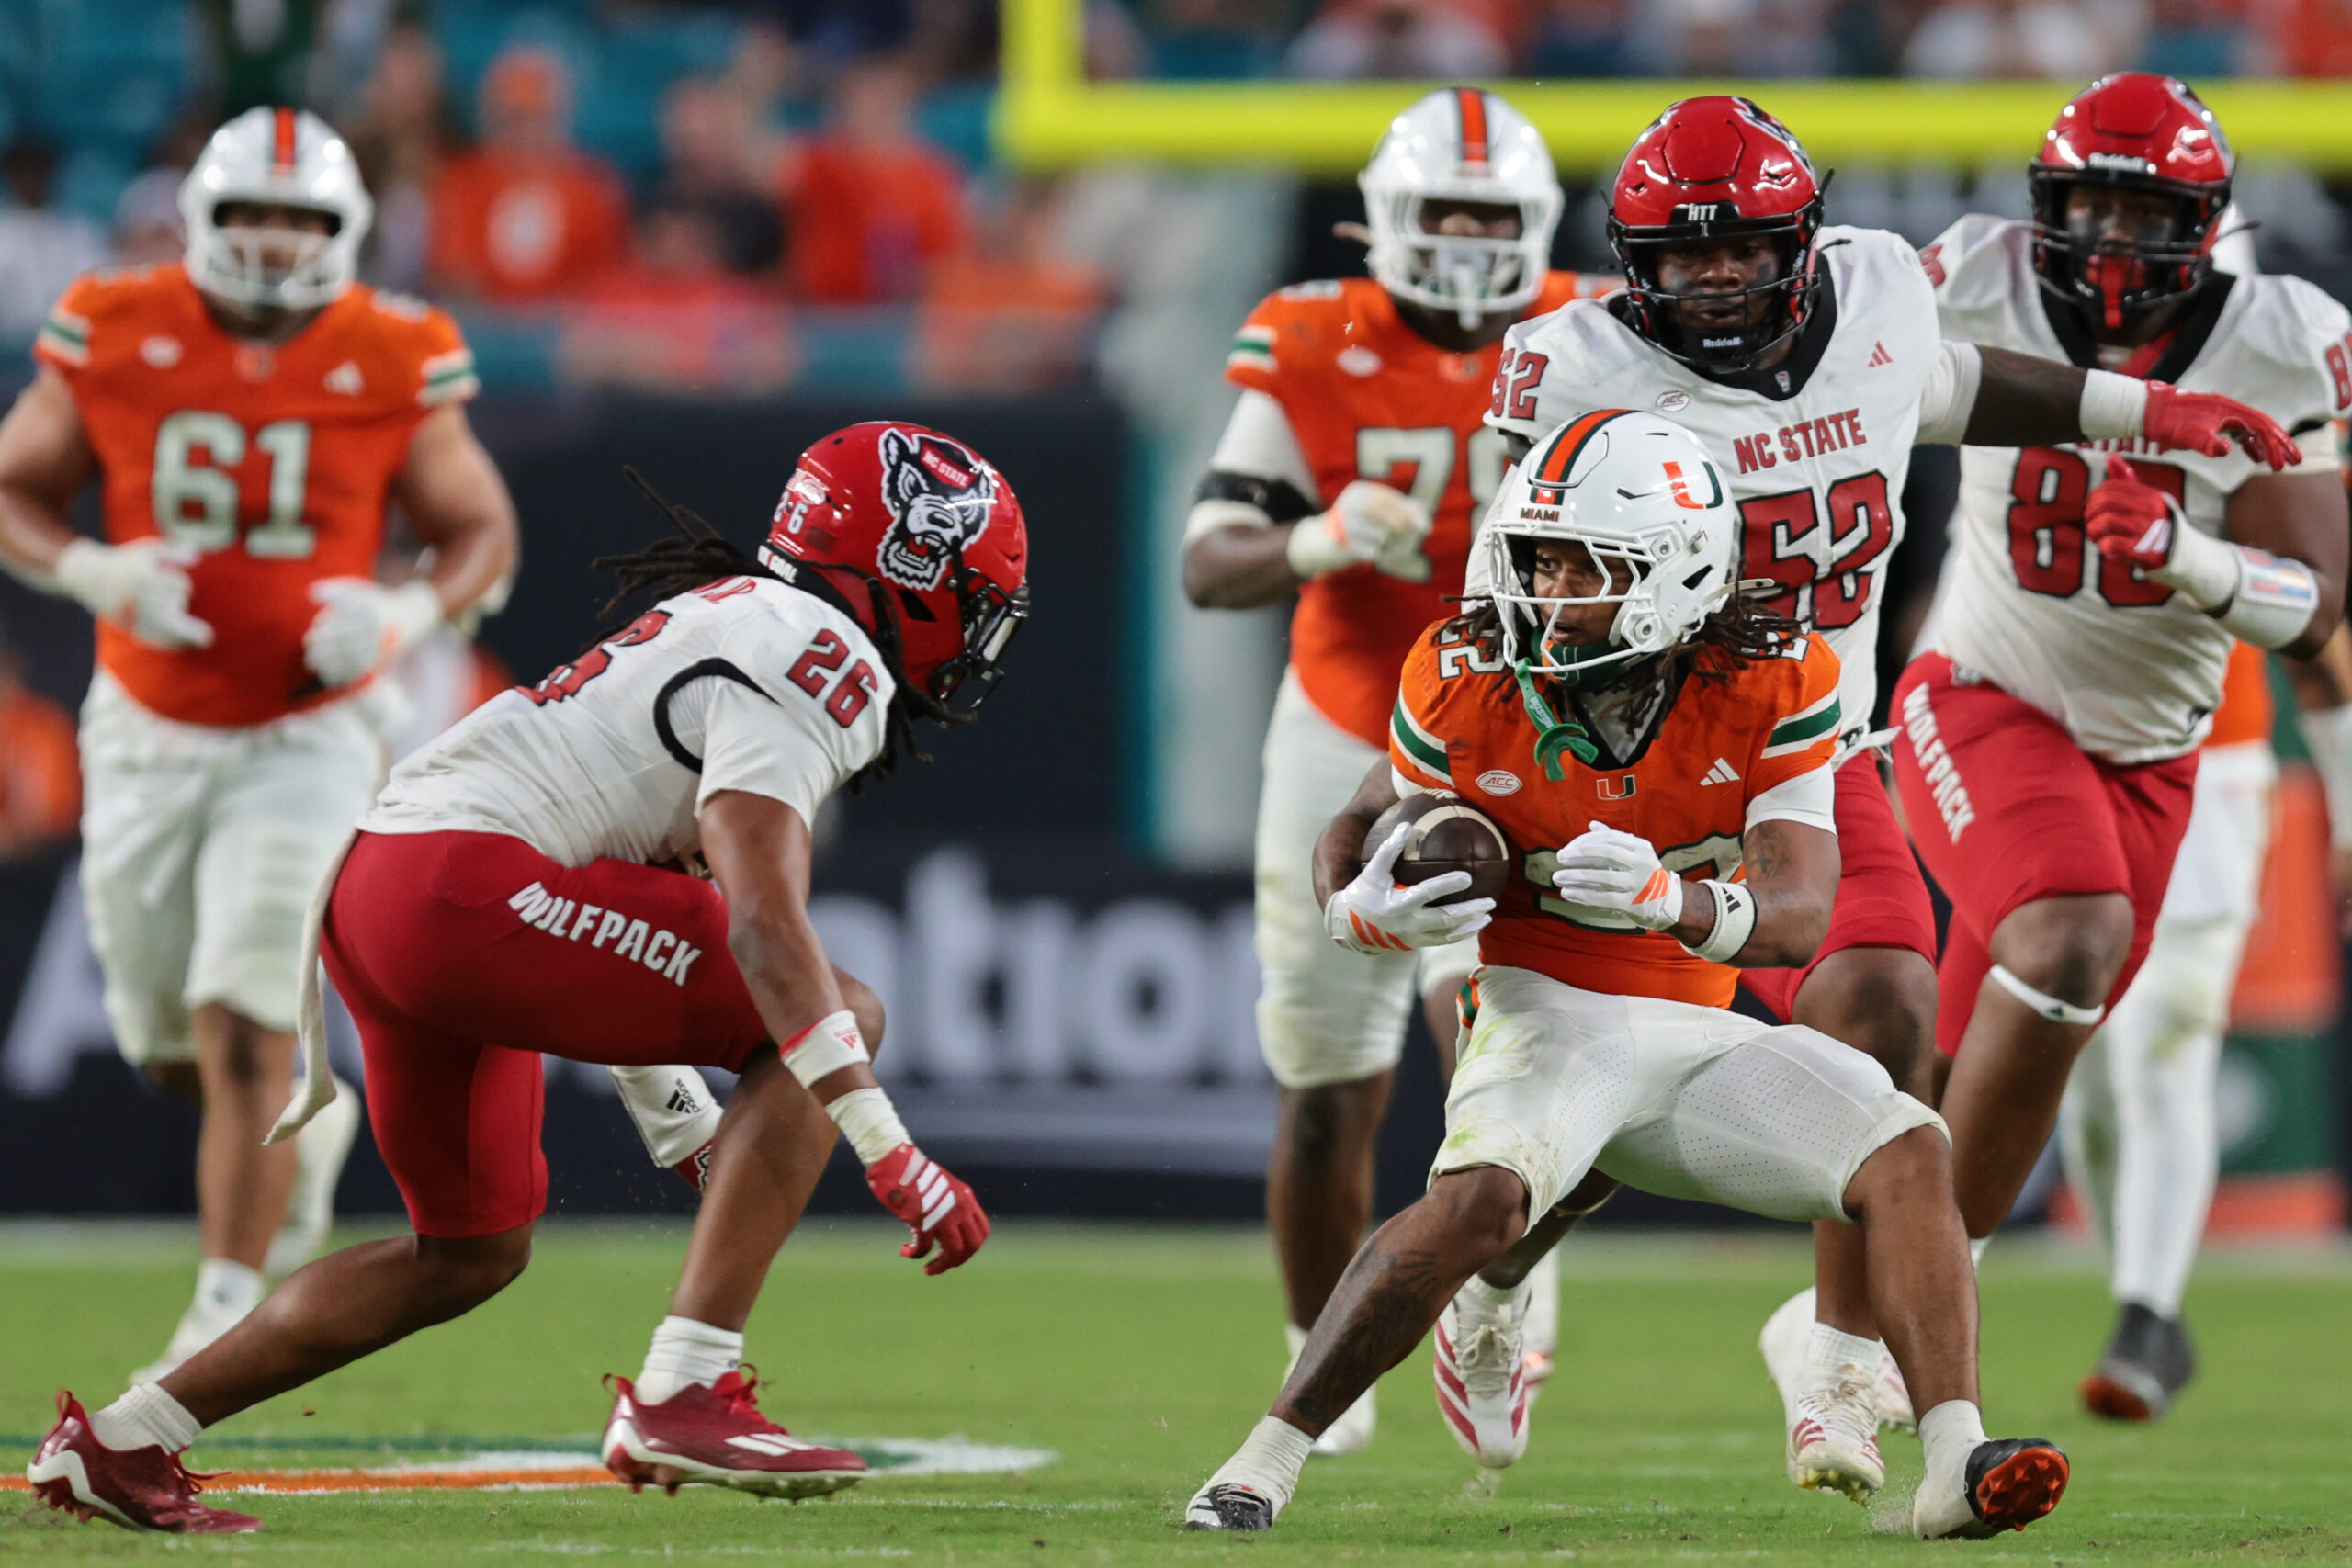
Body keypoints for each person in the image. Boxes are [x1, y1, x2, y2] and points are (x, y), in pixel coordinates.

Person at [1479, 92, 2297, 1500]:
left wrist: (2147, 410)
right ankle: (1493, 1283)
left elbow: (1959, 390)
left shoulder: (1876, 293)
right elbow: (1512, 584)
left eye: (1743, 251)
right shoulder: (1569, 366)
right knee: (1564, 1133)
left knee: (1884, 1015)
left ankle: (1851, 1368)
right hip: (1629, 759)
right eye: (1682, 257)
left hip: (1808, 743)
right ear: (1632, 264)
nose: (1716, 279)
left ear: (1803, 242)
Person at [27, 420, 1027, 1535]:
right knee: (846, 1009)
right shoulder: (818, 654)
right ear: (905, 565)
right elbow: (758, 924)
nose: (977, 633)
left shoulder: (743, 615)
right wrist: (893, 1154)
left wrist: (681, 1115)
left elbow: (623, 886)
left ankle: (123, 1440)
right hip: (460, 886)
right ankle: (689, 1384)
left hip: (383, 889)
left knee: (466, 1253)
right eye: (974, 595)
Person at [1183, 410, 2068, 1540]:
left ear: (1675, 570)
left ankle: (1951, 1461)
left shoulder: (1777, 676)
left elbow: (1799, 917)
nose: (1545, 592)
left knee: (1907, 1146)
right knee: (1485, 1201)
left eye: (1581, 566)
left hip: (1690, 1022)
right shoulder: (1466, 670)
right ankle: (1261, 1459)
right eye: (1536, 559)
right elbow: (1359, 821)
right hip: (1544, 1007)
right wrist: (1352, 909)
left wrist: (1674, 903)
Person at [0, 107, 516, 1380]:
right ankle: (299, 1137)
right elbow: (13, 488)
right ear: (198, 222)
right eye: (249, 218)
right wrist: (95, 567)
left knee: (247, 1027)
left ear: (346, 231)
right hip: (144, 731)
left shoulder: (396, 347)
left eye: (301, 219)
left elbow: (481, 533)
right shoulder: (117, 324)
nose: (277, 244)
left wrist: (402, 607)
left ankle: (220, 1303)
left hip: (312, 732)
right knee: (171, 1046)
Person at [1908, 71, 2348, 1409]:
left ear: (2208, 222)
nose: (2108, 235)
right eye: (2085, 200)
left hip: (2193, 744)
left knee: (2142, 1025)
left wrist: (2188, 558)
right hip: (2000, 692)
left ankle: (2138, 1306)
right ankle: (1907, 1310)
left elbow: (2325, 614)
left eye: (2140, 207)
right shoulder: (1965, 275)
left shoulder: (2285, 338)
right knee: (2054, 986)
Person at [1181, 86, 1608, 1455]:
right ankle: (1325, 1362)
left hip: (1518, 717)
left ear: (1537, 225)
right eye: (1450, 214)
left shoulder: (1593, 327)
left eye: (1497, 216)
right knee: (1324, 1089)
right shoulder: (1314, 329)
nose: (1475, 241)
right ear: (1387, 220)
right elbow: (1209, 558)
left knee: (1492, 1022)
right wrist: (1312, 543)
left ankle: (1503, 1284)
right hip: (1344, 714)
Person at [2057, 641, 2269, 1420]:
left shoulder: (2245, 513)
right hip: (2066, 760)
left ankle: (2143, 1319)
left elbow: (2316, 626)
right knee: (2085, 1075)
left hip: (2208, 768)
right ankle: (2148, 1306)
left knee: (2161, 1047)